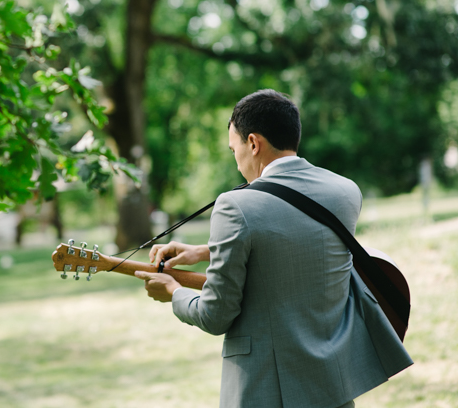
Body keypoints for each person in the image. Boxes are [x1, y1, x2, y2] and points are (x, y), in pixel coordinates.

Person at [135, 89, 412, 408]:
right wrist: (204, 251)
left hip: (266, 390)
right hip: (333, 387)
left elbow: (215, 315)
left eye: (234, 148)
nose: (237, 162)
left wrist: (173, 291)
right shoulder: (345, 191)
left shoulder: (234, 206)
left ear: (253, 143)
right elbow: (299, 244)